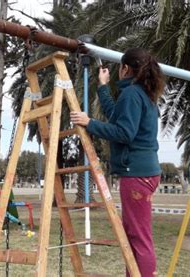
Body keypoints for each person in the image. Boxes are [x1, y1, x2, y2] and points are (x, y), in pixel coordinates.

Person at [70, 48, 164, 277]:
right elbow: (116, 116)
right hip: (144, 171)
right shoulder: (142, 94)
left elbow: (124, 132)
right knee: (135, 234)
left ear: (125, 69)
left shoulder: (133, 94)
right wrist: (103, 87)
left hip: (137, 173)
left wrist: (89, 122)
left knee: (139, 236)